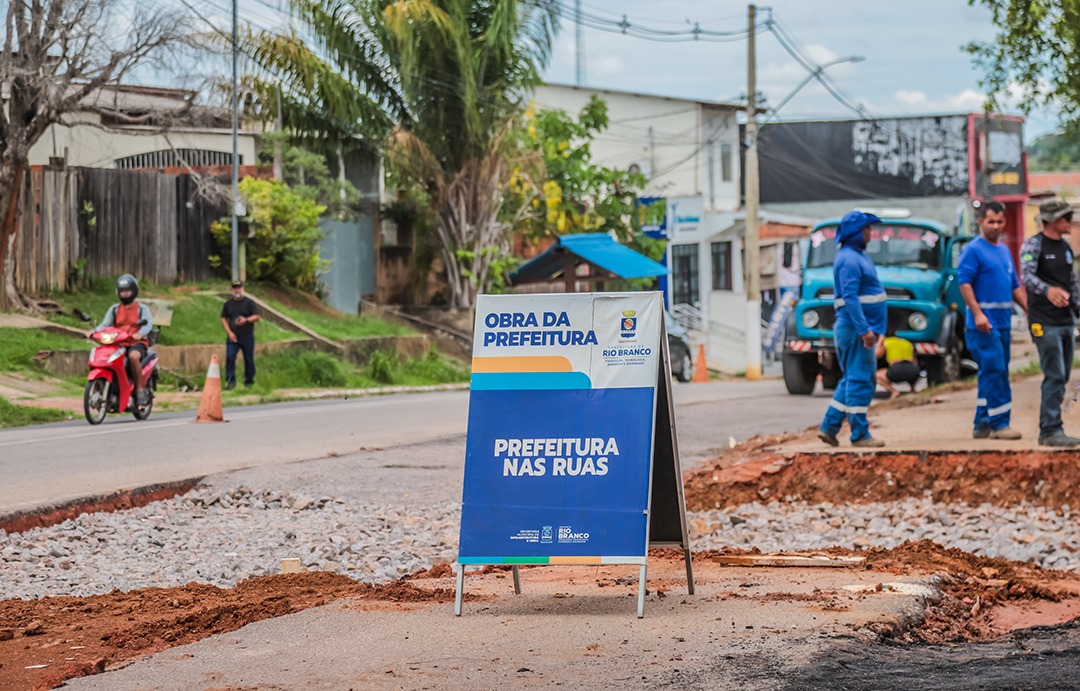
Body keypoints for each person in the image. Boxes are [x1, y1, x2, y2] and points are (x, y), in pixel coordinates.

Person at [957, 200, 1027, 440]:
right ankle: (1000, 424)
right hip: (983, 326)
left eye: (999, 221)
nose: (995, 226)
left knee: (992, 372)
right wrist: (977, 313)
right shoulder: (973, 250)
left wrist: (1029, 310)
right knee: (995, 371)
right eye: (991, 222)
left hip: (1004, 322)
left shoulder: (1004, 251)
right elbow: (964, 283)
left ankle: (982, 422)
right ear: (981, 222)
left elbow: (1014, 285)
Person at [819, 211, 887, 448]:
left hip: (858, 329)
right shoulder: (850, 260)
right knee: (860, 380)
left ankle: (829, 428)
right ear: (855, 232)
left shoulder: (857, 256)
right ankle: (859, 434)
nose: (870, 233)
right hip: (855, 330)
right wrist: (864, 329)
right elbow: (850, 297)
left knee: (852, 379)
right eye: (867, 229)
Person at [1020, 199, 1080, 447]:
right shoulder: (1034, 245)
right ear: (1053, 220)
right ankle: (1050, 429)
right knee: (1054, 374)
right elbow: (1026, 275)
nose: (1070, 222)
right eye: (1066, 218)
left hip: (1065, 320)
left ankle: (1053, 426)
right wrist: (1048, 291)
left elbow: (1071, 283)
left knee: (1063, 374)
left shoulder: (1065, 247)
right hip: (1044, 321)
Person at [91, 274, 153, 406]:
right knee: (101, 357)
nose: (125, 294)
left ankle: (139, 390)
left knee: (133, 357)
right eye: (122, 291)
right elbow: (105, 325)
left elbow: (148, 325)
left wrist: (140, 334)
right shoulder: (114, 309)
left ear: (134, 291)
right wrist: (94, 332)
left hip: (136, 343)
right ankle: (100, 389)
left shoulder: (142, 309)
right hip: (118, 343)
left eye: (127, 291)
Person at [220, 281, 261, 390]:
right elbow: (223, 318)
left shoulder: (249, 303)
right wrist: (230, 333)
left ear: (243, 289)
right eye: (235, 288)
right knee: (230, 357)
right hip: (233, 337)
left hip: (247, 336)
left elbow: (257, 316)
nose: (237, 290)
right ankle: (230, 382)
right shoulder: (228, 304)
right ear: (232, 290)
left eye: (239, 288)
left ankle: (249, 381)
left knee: (248, 359)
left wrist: (246, 320)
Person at [875, 330, 919, 399]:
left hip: (897, 370)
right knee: (910, 371)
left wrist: (880, 342)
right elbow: (915, 360)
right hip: (913, 371)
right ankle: (912, 390)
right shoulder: (906, 343)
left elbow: (876, 355)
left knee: (877, 376)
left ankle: (894, 391)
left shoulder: (887, 342)